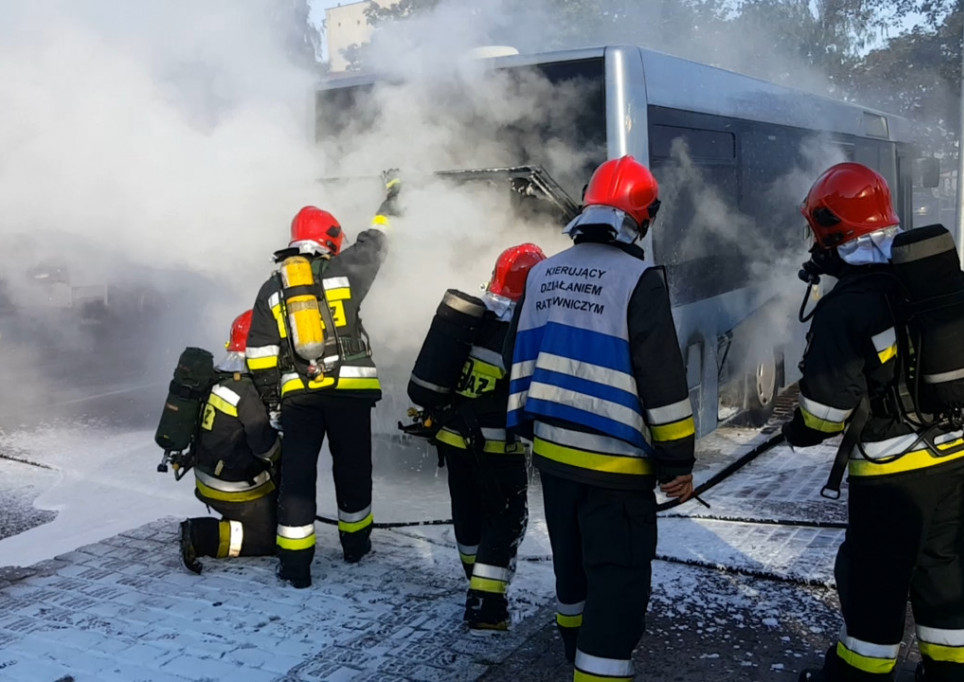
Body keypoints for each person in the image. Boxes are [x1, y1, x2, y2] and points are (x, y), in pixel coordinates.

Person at [784, 162, 964, 682]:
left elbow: (824, 413)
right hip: (959, 448)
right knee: (942, 567)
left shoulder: (847, 305)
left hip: (892, 470)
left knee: (874, 580)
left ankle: (859, 676)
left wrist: (798, 430)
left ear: (831, 230)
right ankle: (952, 674)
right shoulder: (938, 280)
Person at [506, 155, 696, 681]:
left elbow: (514, 357)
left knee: (573, 566)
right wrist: (677, 460)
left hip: (553, 460)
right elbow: (664, 383)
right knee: (617, 581)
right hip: (616, 472)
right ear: (644, 217)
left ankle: (573, 647)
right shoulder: (639, 280)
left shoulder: (542, 273)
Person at [245, 173, 399, 589]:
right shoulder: (345, 269)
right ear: (329, 239)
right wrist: (391, 200)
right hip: (350, 392)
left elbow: (259, 356)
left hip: (299, 397)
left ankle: (296, 567)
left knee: (297, 478)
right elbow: (377, 241)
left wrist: (273, 401)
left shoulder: (271, 289)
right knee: (353, 469)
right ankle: (355, 546)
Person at [409, 243, 547, 630]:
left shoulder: (471, 320)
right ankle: (486, 604)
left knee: (468, 514)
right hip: (495, 445)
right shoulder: (524, 333)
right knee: (506, 518)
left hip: (454, 439)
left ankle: (477, 582)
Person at [179, 310, 281, 574]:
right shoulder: (245, 390)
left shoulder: (217, 377)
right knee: (274, 538)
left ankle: (238, 519)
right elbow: (265, 447)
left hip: (207, 475)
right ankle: (202, 535)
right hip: (231, 487)